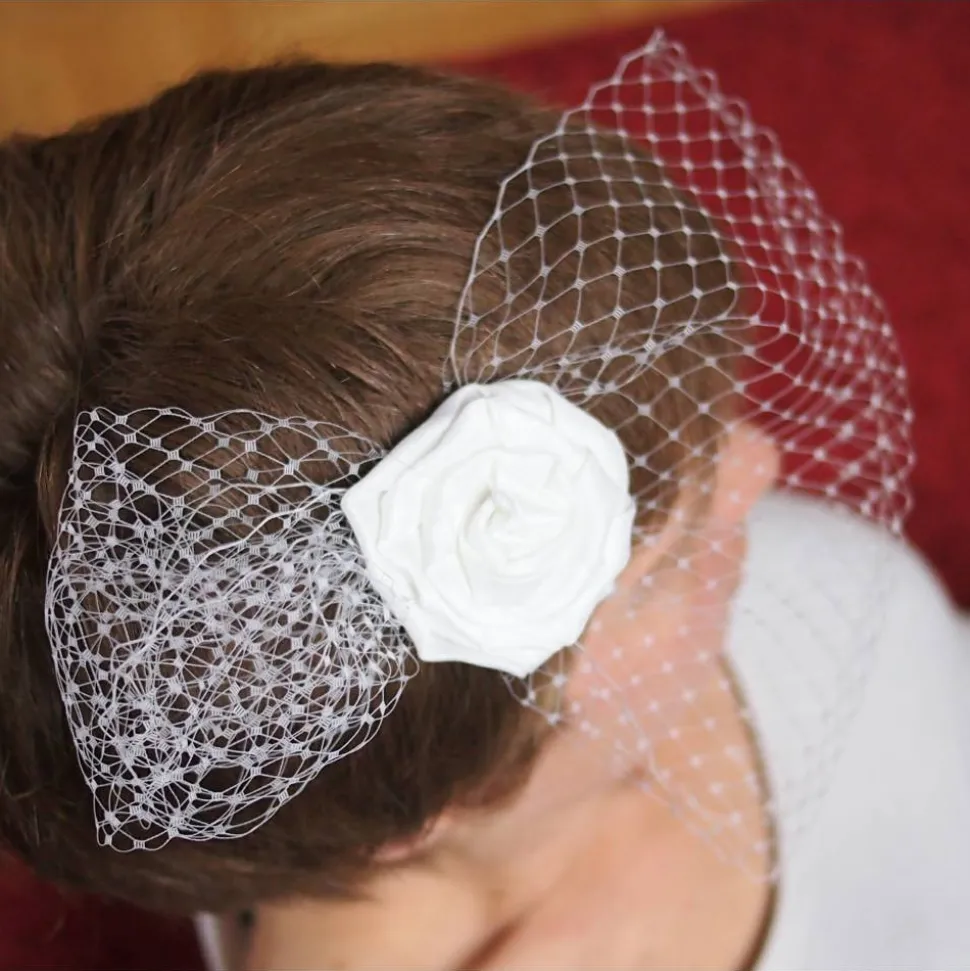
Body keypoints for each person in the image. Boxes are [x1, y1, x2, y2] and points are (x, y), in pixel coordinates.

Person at [1, 35, 968, 970]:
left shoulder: (841, 609)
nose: (758, 467)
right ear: (427, 813)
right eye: (659, 571)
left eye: (706, 432)